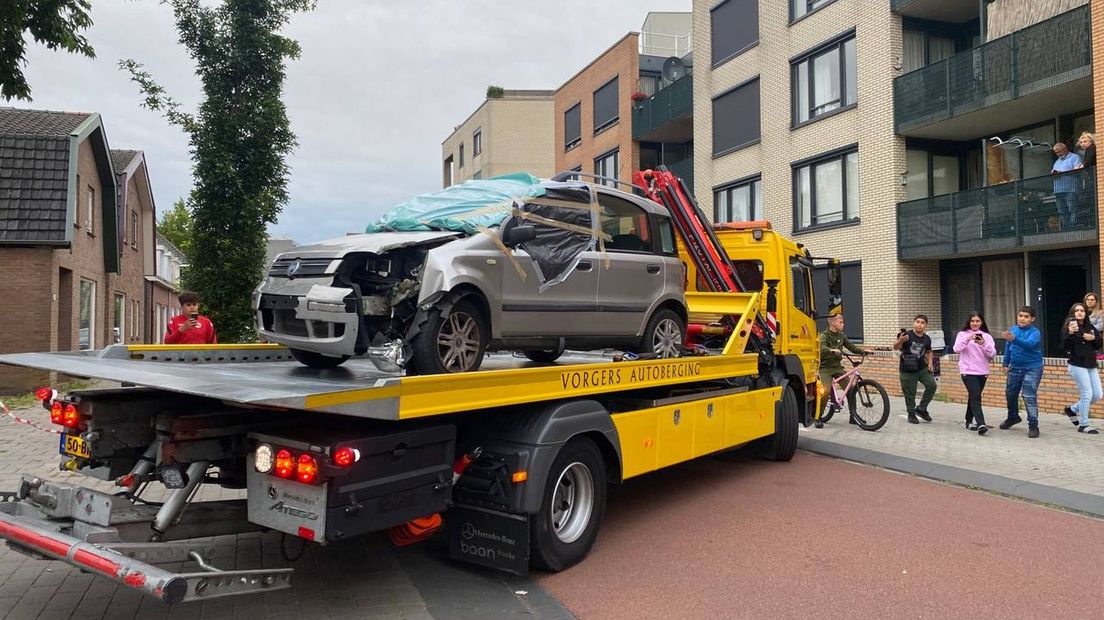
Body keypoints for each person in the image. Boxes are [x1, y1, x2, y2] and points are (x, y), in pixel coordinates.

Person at [999, 306, 1043, 438]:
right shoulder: (1013, 330)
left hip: (1032, 368)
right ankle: (1013, 417)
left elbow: (1029, 344)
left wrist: (1014, 339)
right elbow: (1008, 347)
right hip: (1015, 367)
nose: (1022, 319)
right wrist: (1005, 363)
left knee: (1029, 396)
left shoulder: (1035, 332)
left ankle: (1033, 425)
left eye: (1026, 317)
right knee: (1010, 394)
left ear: (1032, 319)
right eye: (1020, 316)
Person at [1060, 302, 1101, 435]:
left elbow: (1099, 344)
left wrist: (1093, 338)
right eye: (1076, 311)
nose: (1079, 313)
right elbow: (1064, 347)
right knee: (1087, 394)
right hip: (1077, 364)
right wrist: (1071, 334)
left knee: (1097, 395)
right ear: (1073, 313)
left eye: (1082, 310)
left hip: (1090, 364)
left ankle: (1072, 409)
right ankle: (1083, 425)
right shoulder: (1069, 328)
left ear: (1085, 313)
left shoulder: (1090, 327)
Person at [953, 313, 997, 435]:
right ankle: (981, 423)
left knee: (974, 396)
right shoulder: (962, 334)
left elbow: (992, 354)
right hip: (967, 371)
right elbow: (956, 349)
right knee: (976, 395)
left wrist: (983, 343)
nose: (975, 323)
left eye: (977, 321)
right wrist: (967, 339)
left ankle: (968, 421)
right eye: (972, 321)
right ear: (969, 322)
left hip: (982, 371)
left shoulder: (987, 337)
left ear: (981, 322)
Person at [819, 313, 866, 424]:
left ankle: (853, 416)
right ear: (833, 323)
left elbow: (851, 347)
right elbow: (822, 347)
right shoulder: (824, 335)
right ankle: (818, 416)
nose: (843, 324)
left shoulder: (841, 336)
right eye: (841, 322)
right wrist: (831, 350)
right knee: (824, 391)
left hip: (837, 367)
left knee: (851, 390)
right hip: (825, 368)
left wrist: (863, 352)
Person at [894, 314, 936, 425]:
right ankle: (911, 414)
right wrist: (900, 341)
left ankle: (921, 408)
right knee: (910, 393)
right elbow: (895, 347)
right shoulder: (906, 335)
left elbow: (928, 351)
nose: (919, 325)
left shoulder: (927, 338)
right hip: (907, 368)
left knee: (932, 385)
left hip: (922, 368)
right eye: (917, 322)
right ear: (914, 323)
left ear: (926, 325)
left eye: (922, 323)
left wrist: (930, 363)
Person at [1051, 142, 1083, 229]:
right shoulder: (1057, 161)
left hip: (1070, 188)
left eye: (1059, 151)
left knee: (1072, 208)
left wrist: (1063, 173)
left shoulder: (1075, 157)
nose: (1058, 154)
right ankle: (1066, 227)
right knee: (1061, 210)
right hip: (1058, 190)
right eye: (1056, 152)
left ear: (1065, 149)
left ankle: (1073, 226)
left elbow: (1078, 171)